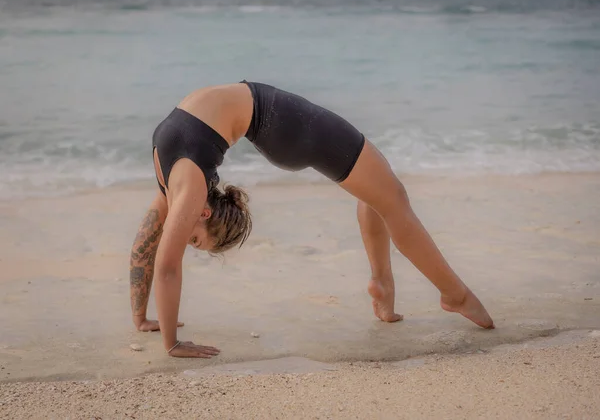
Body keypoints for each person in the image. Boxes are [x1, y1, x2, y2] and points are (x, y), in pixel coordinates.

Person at [129, 80, 495, 358]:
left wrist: (165, 337)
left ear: (204, 212)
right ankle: (451, 294)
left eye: (195, 240)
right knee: (391, 196)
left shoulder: (185, 189)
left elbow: (162, 262)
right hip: (281, 125)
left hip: (281, 124)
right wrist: (151, 326)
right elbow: (153, 252)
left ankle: (404, 287)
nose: (185, 239)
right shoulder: (180, 185)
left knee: (386, 195)